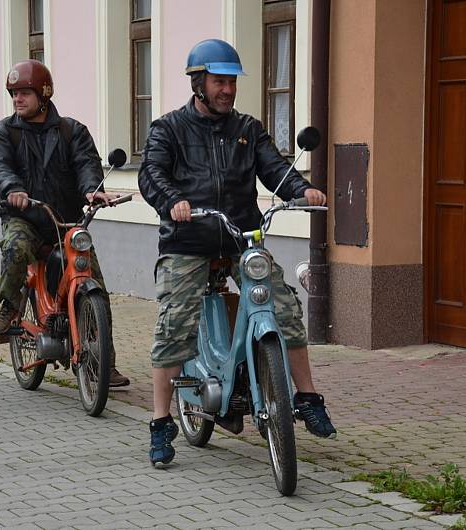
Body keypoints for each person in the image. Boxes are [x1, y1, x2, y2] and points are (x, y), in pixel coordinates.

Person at [138, 39, 337, 466]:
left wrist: (301, 190)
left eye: (231, 81)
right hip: (187, 241)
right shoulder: (168, 128)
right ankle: (160, 422)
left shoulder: (247, 128)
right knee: (174, 322)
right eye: (218, 81)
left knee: (284, 307)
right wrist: (172, 199)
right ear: (198, 83)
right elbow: (151, 172)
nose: (226, 89)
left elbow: (274, 168)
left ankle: (306, 396)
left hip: (240, 238)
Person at [0, 59, 130, 387]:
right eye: (14, 94)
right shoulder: (3, 133)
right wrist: (13, 190)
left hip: (66, 222)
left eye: (24, 93)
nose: (17, 99)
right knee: (15, 245)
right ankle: (10, 305)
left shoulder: (71, 131)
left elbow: (86, 163)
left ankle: (104, 362)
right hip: (25, 218)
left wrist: (93, 190)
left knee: (93, 283)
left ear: (44, 94)